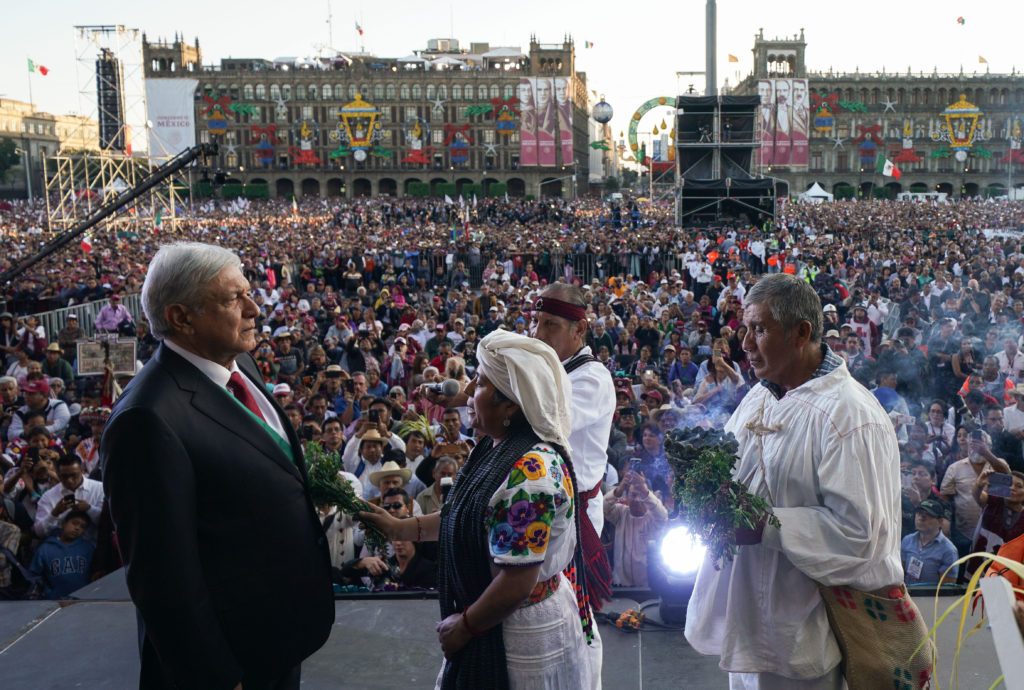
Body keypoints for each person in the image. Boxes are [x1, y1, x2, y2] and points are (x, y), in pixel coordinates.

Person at [100, 242, 334, 690]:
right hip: (229, 659)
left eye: (249, 292)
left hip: (274, 637)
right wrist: (216, 676)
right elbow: (161, 575)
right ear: (181, 317)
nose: (254, 308)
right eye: (233, 298)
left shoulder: (239, 363)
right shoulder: (147, 419)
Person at [685, 273, 904, 690]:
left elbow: (861, 534)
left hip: (808, 633)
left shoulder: (850, 416)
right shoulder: (763, 394)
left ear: (801, 332)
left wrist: (763, 525)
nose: (745, 344)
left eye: (760, 329)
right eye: (745, 329)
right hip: (751, 618)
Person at [361, 329, 594, 690]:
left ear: (510, 405)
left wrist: (466, 625)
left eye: (481, 383)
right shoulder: (497, 448)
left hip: (521, 635)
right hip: (496, 620)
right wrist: (398, 528)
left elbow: (517, 580)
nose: (468, 393)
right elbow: (467, 518)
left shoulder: (530, 473)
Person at [29, 509, 95, 598]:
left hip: (83, 601)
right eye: (75, 523)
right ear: (63, 524)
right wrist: (47, 592)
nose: (77, 528)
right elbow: (34, 575)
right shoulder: (46, 548)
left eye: (82, 526)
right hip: (55, 602)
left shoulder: (88, 548)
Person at [900, 498, 958, 587]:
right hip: (907, 594)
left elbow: (946, 590)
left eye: (927, 515)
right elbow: (900, 573)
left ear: (940, 522)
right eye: (919, 513)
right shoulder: (907, 540)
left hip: (931, 598)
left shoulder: (949, 551)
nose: (920, 518)